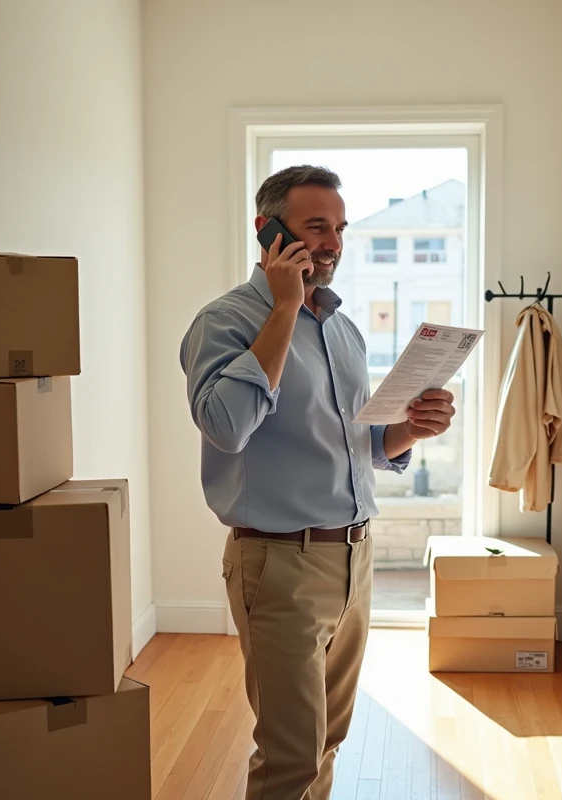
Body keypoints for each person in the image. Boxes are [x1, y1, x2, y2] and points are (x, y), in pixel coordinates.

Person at [179, 165, 457, 799]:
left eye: (339, 228)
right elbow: (226, 427)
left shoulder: (341, 326)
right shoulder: (223, 322)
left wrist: (413, 429)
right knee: (290, 757)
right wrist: (282, 308)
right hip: (279, 564)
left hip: (354, 560)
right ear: (268, 230)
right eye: (314, 227)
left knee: (327, 740)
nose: (332, 242)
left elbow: (359, 446)